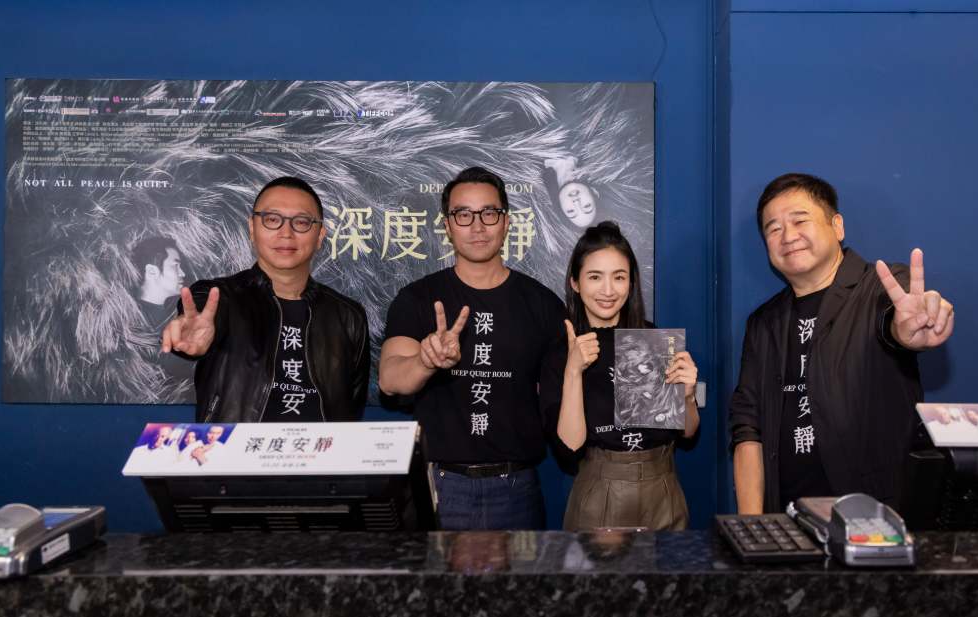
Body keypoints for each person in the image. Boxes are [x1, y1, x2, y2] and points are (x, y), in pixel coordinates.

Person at [730, 174, 955, 513]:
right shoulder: (763, 321)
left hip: (878, 517)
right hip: (787, 519)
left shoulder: (882, 287)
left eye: (799, 221)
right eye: (773, 229)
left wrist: (906, 329)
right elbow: (749, 425)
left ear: (837, 226)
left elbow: (895, 321)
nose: (787, 236)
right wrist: (751, 525)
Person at [379, 166, 565, 531]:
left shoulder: (544, 305)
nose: (477, 226)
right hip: (440, 488)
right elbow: (389, 379)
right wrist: (426, 361)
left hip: (517, 490)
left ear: (506, 222)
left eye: (488, 213)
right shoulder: (417, 298)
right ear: (447, 226)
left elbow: (564, 396)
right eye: (463, 215)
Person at [162, 176, 370, 423]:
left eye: (301, 222)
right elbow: (203, 311)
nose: (286, 233)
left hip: (320, 448)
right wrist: (197, 334)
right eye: (272, 220)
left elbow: (350, 414)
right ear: (252, 228)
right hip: (234, 447)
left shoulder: (348, 316)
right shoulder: (221, 297)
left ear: (320, 235)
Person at [540, 222, 699, 530]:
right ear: (575, 282)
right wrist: (573, 372)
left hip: (662, 487)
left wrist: (688, 395)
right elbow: (569, 448)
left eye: (619, 277)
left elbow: (688, 433)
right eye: (595, 277)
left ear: (631, 282)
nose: (608, 290)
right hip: (599, 491)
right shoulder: (560, 354)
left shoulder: (653, 339)